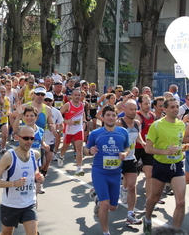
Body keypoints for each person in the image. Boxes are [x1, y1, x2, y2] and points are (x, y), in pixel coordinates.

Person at [143, 97, 189, 234]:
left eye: (177, 106)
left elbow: (178, 144)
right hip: (161, 165)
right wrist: (165, 151)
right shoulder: (157, 125)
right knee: (154, 198)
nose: (175, 109)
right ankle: (147, 218)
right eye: (172, 107)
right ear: (166, 109)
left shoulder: (181, 125)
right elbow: (148, 149)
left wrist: (183, 147)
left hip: (177, 166)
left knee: (181, 202)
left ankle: (176, 231)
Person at [0, 125, 44, 235]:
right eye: (26, 138)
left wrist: (38, 176)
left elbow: (35, 171)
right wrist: (14, 183)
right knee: (6, 233)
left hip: (29, 203)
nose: (29, 141)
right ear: (17, 138)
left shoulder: (35, 154)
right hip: (11, 205)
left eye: (32, 138)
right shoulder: (9, 157)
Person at [85, 105, 129, 235]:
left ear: (116, 117)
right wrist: (90, 151)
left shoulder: (123, 132)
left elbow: (127, 148)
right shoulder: (95, 134)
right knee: (105, 204)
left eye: (113, 115)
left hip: (115, 174)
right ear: (103, 117)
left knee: (113, 207)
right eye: (108, 115)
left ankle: (97, 199)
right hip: (100, 172)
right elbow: (85, 149)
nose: (110, 118)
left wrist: (125, 154)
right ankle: (106, 232)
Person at [116, 100, 144, 225]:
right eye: (131, 109)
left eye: (135, 109)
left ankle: (130, 214)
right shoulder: (119, 123)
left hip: (131, 159)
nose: (133, 112)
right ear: (124, 109)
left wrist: (142, 142)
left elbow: (137, 136)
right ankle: (98, 196)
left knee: (132, 186)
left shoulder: (137, 123)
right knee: (109, 186)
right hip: (117, 159)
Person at [58, 89, 86, 176]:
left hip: (78, 129)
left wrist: (84, 122)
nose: (77, 97)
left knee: (79, 148)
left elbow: (82, 113)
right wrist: (66, 121)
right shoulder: (68, 105)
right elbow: (58, 115)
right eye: (76, 95)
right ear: (72, 96)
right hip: (68, 129)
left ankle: (79, 168)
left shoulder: (82, 104)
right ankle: (61, 156)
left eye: (79, 95)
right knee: (65, 146)